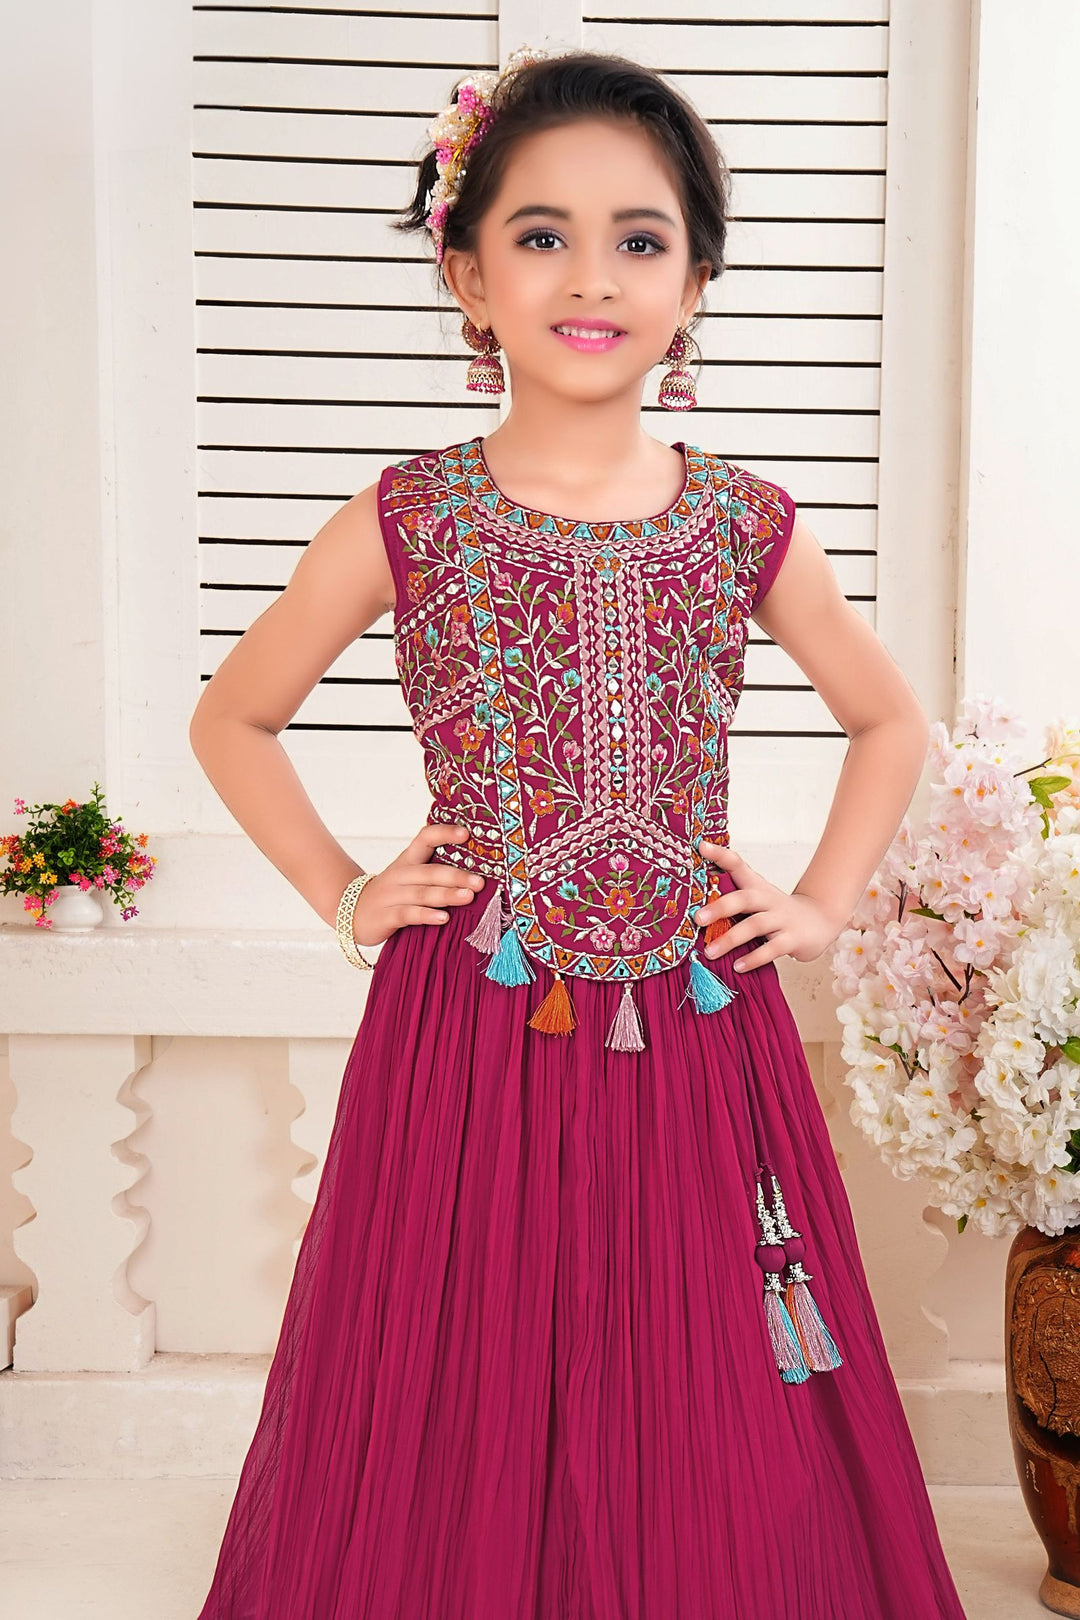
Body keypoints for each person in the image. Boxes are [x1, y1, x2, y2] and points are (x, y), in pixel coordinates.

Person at [189, 45, 969, 1620]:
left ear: (696, 285)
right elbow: (233, 719)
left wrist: (820, 905)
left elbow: (890, 720)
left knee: (696, 1346)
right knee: (465, 1340)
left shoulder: (743, 521)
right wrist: (347, 894)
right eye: (541, 235)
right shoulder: (411, 516)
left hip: (697, 1017)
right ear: (469, 277)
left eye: (640, 238)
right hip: (469, 1017)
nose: (592, 276)